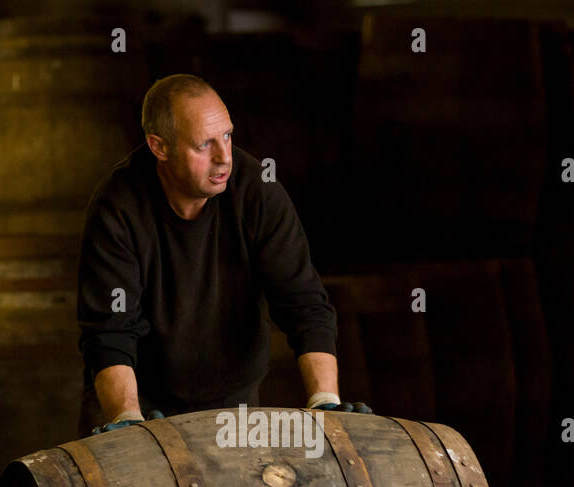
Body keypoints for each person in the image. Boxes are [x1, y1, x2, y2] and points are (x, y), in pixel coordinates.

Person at [76, 74, 371, 436]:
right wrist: (127, 424)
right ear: (159, 147)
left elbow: (303, 302)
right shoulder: (118, 207)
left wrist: (325, 401)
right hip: (137, 400)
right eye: (204, 145)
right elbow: (110, 332)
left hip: (235, 404)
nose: (224, 158)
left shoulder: (257, 191)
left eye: (227, 136)